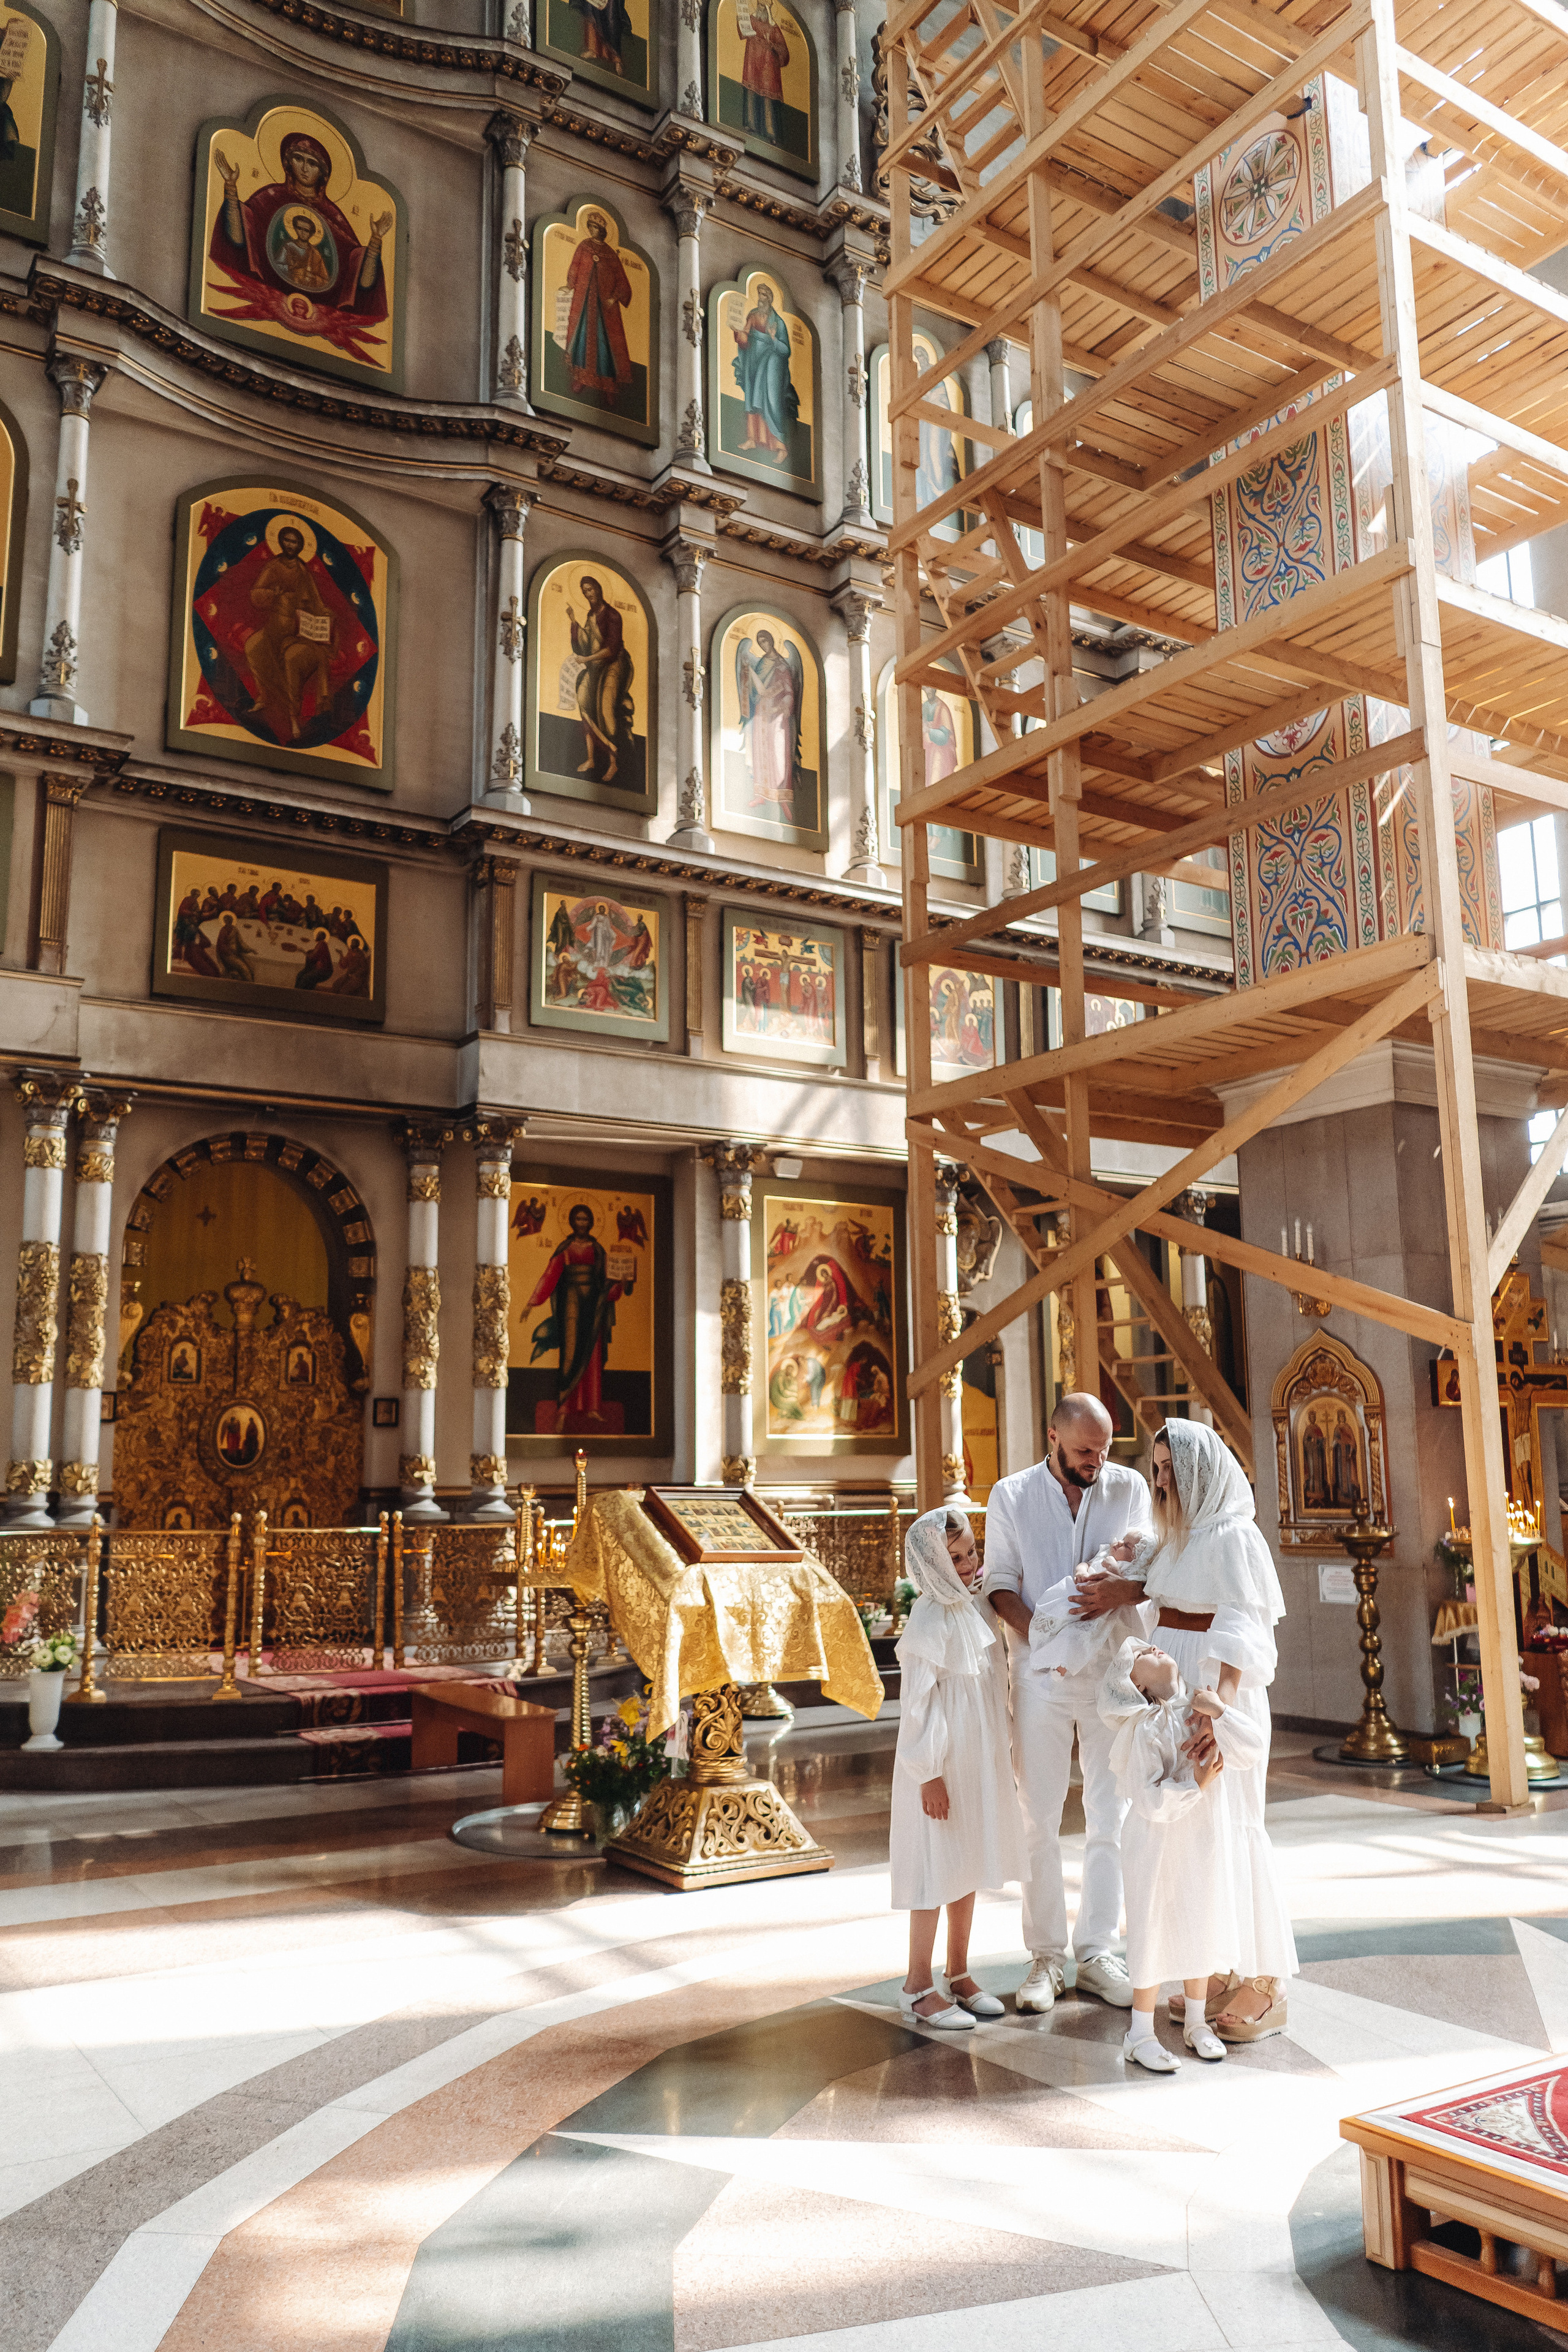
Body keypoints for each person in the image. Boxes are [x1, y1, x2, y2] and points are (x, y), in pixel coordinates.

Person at [1079, 1419, 1297, 2045]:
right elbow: (1159, 1603)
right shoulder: (1176, 1535)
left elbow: (1243, 1625)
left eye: (1172, 1469)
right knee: (1198, 1833)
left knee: (1235, 1823)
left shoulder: (1233, 1535)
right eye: (1155, 1469)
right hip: (1176, 1686)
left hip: (1215, 1689)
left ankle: (1265, 1981)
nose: (1161, 1480)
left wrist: (1217, 1703)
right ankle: (1215, 1962)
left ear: (1202, 1470)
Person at [981, 1392, 1153, 2014]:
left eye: (1103, 1450)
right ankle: (1046, 1957)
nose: (1095, 1462)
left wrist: (1118, 1595)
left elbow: (1149, 1567)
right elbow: (998, 1582)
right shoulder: (1011, 1495)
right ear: (1053, 1435)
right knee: (1038, 1814)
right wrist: (1045, 1635)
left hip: (1112, 1671)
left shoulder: (1127, 1486)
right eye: (1084, 1450)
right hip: (1040, 1677)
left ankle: (1099, 1950)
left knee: (1113, 1811)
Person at [1098, 1636, 1268, 2073]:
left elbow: (1250, 1748)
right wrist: (1196, 1784)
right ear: (1134, 1687)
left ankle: (1196, 2022)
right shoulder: (1145, 1728)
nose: (1150, 1649)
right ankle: (1140, 2032)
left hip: (1200, 1837)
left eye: (1149, 1646)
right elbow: (1150, 1801)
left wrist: (1222, 1710)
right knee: (1152, 1925)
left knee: (1200, 1919)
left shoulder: (1199, 1706)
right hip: (1154, 1843)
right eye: (1138, 1658)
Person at [894, 1507, 1023, 2029]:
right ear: (932, 1565)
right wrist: (928, 1773)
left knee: (966, 1862)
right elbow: (918, 1704)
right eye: (957, 1558)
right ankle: (917, 1985)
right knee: (934, 1869)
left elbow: (992, 1683)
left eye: (972, 1551)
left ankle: (960, 1972)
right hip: (940, 1767)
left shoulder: (972, 1610)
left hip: (975, 1757)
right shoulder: (929, 1617)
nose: (971, 1564)